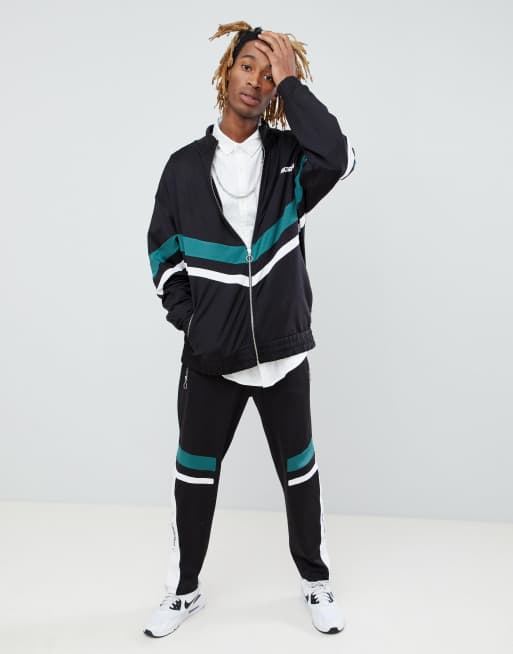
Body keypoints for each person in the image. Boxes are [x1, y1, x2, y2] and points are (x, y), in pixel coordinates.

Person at [143, 20, 356, 638]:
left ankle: (315, 581)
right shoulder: (183, 168)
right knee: (194, 477)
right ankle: (183, 591)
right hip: (212, 357)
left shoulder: (293, 162)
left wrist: (293, 85)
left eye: (269, 75)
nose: (255, 82)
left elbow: (338, 155)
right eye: (248, 67)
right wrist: (193, 320)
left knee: (300, 473)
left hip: (283, 355)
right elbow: (162, 254)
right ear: (226, 70)